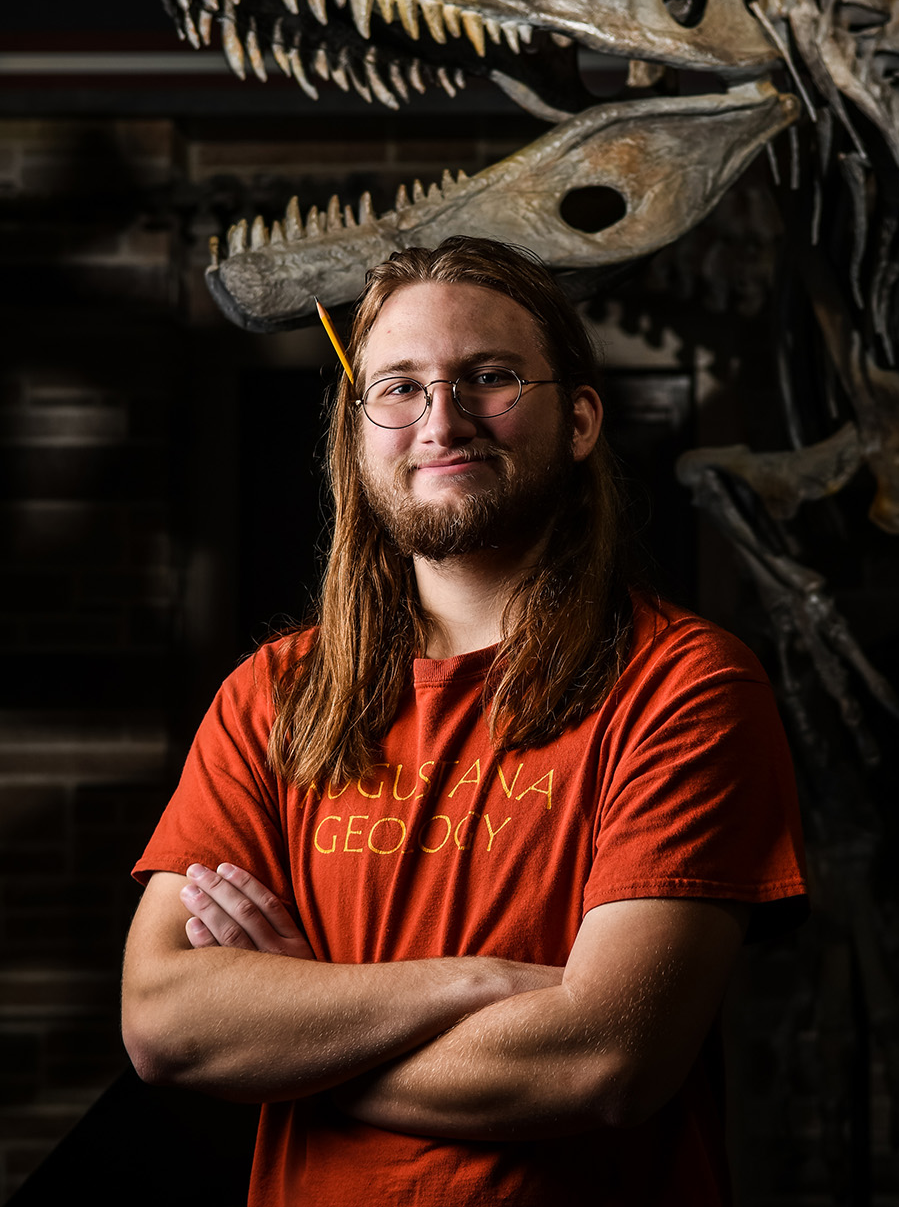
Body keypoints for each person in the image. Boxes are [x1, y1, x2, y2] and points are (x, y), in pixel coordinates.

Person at [122, 236, 807, 1207]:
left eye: (488, 377)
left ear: (577, 419)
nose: (441, 419)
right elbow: (162, 1019)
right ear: (358, 433)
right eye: (398, 387)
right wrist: (481, 984)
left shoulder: (685, 690)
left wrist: (295, 1033)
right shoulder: (271, 697)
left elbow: (605, 1062)